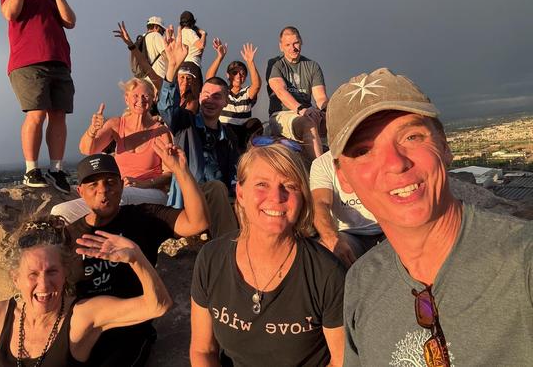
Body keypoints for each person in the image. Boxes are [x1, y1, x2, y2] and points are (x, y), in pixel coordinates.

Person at [326, 68, 533, 366]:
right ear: (342, 177)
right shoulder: (362, 282)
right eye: (363, 151)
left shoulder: (522, 261)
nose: (395, 163)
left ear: (445, 147)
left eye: (411, 137)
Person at [190, 141, 346, 366]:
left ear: (303, 199)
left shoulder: (327, 274)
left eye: (290, 186)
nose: (276, 197)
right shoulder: (211, 258)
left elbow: (340, 361)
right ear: (240, 194)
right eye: (262, 184)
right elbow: (203, 350)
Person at [65, 148, 210, 366]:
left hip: (130, 329)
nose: (103, 191)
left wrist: (181, 171)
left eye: (110, 182)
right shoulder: (69, 236)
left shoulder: (143, 217)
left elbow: (197, 222)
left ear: (122, 185)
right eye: (93, 185)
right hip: (82, 332)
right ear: (80, 191)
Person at [0, 215, 171, 367]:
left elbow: (158, 306)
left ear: (65, 273)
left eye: (52, 272)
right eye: (33, 274)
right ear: (16, 278)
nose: (44, 284)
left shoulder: (82, 316)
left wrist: (136, 257)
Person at [0, 0, 76, 193]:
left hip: (59, 60)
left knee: (59, 114)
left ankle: (56, 170)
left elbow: (70, 21)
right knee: (37, 112)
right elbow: (10, 12)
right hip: (28, 61)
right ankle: (31, 169)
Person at [51, 78, 172, 222]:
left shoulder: (161, 132)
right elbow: (87, 150)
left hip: (152, 192)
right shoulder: (116, 124)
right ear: (126, 99)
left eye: (145, 96)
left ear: (153, 99)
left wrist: (144, 184)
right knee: (60, 211)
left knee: (118, 198)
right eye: (135, 95)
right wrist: (93, 129)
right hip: (117, 191)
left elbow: (169, 174)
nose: (140, 100)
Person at [157, 27, 239, 235]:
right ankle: (228, 248)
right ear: (200, 96)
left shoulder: (228, 136)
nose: (210, 100)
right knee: (216, 187)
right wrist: (172, 67)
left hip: (220, 199)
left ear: (226, 101)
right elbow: (166, 108)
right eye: (206, 95)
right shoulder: (185, 123)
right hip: (189, 198)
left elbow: (234, 172)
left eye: (217, 96)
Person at [310, 150, 385, 267]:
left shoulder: (382, 154)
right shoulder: (322, 163)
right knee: (326, 251)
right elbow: (320, 203)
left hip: (385, 229)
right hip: (348, 234)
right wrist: (331, 238)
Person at [266, 26, 328, 161]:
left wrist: (325, 111)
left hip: (307, 111)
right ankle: (318, 168)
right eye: (288, 45)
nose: (293, 48)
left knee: (334, 122)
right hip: (282, 113)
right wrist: (300, 109)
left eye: (296, 43)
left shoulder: (312, 66)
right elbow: (280, 91)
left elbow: (320, 97)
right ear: (281, 47)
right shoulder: (275, 64)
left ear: (301, 42)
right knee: (308, 124)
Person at [205, 38, 263, 151]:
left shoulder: (246, 92)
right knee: (226, 127)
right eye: (234, 73)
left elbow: (256, 85)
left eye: (242, 73)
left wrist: (250, 62)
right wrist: (219, 57)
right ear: (228, 75)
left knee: (255, 123)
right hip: (226, 131)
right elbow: (209, 79)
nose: (238, 76)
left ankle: (249, 151)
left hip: (243, 134)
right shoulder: (223, 91)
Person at [113, 17, 167, 93]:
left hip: (146, 81)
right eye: (162, 30)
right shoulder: (156, 35)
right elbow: (166, 55)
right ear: (156, 27)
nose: (163, 33)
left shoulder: (142, 38)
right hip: (159, 78)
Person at [179, 10, 207, 104]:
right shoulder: (189, 32)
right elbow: (200, 46)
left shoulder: (181, 33)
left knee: (183, 94)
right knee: (195, 95)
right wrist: (203, 34)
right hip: (192, 65)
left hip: (182, 65)